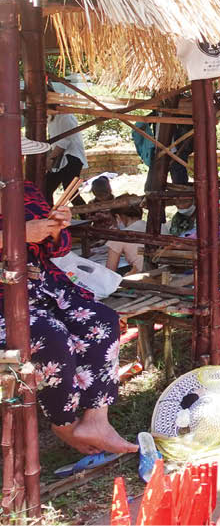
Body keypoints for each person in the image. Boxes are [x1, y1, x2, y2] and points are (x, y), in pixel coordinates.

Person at [0, 138, 137, 455]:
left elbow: (57, 250)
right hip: (6, 299)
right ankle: (63, 424)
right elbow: (22, 236)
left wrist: (57, 228)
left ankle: (96, 420)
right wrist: (17, 236)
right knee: (51, 336)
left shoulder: (26, 190)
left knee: (101, 320)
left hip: (41, 285)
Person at [46, 76, 90, 206]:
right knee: (46, 189)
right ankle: (46, 214)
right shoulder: (51, 116)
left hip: (71, 157)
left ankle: (88, 215)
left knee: (70, 192)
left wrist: (50, 158)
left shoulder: (64, 115)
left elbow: (64, 142)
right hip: (60, 158)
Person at [105, 198, 152, 274]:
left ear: (117, 217)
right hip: (167, 273)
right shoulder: (159, 227)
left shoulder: (120, 236)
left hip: (146, 277)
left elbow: (109, 271)